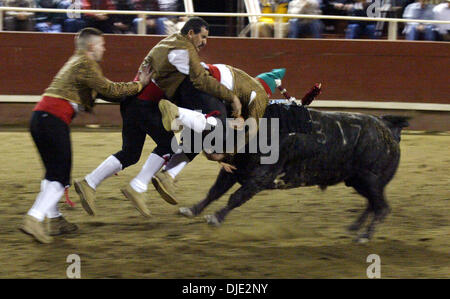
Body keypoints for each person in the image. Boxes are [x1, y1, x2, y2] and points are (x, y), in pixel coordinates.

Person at [20, 28, 152, 244]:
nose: (104, 48)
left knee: (52, 174)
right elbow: (109, 89)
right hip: (53, 119)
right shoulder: (86, 64)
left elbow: (106, 93)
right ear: (91, 46)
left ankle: (54, 220)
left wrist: (132, 90)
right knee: (60, 177)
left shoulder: (76, 63)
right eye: (101, 45)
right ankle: (34, 218)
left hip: (40, 118)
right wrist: (140, 85)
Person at [152, 67, 287, 205]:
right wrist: (226, 154)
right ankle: (177, 112)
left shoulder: (243, 88)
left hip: (187, 84)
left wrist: (217, 153)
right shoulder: (260, 96)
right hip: (202, 85)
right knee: (216, 128)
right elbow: (250, 131)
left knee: (199, 138)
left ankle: (167, 174)